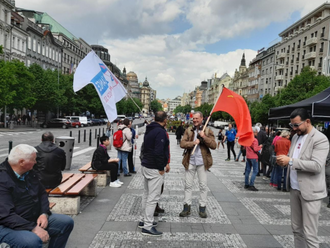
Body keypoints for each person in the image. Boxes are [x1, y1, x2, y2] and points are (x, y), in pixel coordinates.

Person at [0, 144, 74, 248]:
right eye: (34, 160)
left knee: (66, 222)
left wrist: (44, 213)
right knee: (32, 241)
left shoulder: (29, 173)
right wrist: (33, 228)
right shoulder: (3, 179)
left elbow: (42, 193)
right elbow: (6, 215)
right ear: (21, 162)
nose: (36, 162)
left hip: (30, 218)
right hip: (6, 225)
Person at [276, 108, 329, 248]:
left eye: (296, 125)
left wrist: (290, 161)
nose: (294, 128)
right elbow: (293, 158)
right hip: (294, 188)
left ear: (307, 121)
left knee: (310, 234)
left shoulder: (320, 139)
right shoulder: (295, 137)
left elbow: (317, 166)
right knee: (296, 230)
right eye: (291, 125)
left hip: (311, 192)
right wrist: (283, 161)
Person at [179, 111, 216, 218]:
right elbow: (182, 143)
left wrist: (204, 137)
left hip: (202, 162)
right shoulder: (189, 130)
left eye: (197, 118)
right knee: (188, 185)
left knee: (203, 186)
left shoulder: (208, 131)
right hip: (190, 160)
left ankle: (202, 208)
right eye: (193, 118)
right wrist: (192, 143)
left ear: (201, 119)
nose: (194, 120)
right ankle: (186, 207)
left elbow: (213, 145)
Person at [139, 111, 170, 236]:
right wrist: (160, 167)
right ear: (165, 120)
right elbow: (158, 151)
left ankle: (143, 220)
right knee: (153, 197)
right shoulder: (160, 132)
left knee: (146, 194)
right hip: (154, 167)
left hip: (146, 165)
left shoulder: (149, 129)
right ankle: (147, 226)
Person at [244, 127, 262, 191]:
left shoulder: (248, 139)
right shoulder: (255, 140)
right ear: (253, 132)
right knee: (255, 171)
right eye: (256, 132)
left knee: (247, 170)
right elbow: (255, 149)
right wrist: (260, 147)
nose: (257, 133)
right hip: (254, 157)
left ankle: (246, 184)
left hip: (248, 156)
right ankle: (251, 185)